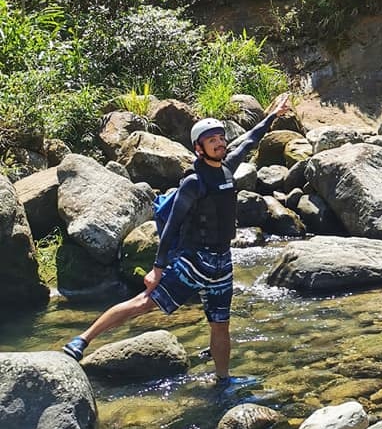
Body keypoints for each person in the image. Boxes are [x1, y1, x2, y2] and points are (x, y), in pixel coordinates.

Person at [62, 92, 292, 384]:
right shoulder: (193, 183)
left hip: (222, 263)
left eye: (221, 138)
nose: (220, 143)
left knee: (220, 325)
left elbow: (250, 139)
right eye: (212, 141)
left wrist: (273, 114)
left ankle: (223, 381)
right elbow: (172, 225)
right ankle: (82, 339)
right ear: (199, 149)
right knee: (145, 302)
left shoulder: (226, 167)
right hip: (194, 261)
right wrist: (157, 267)